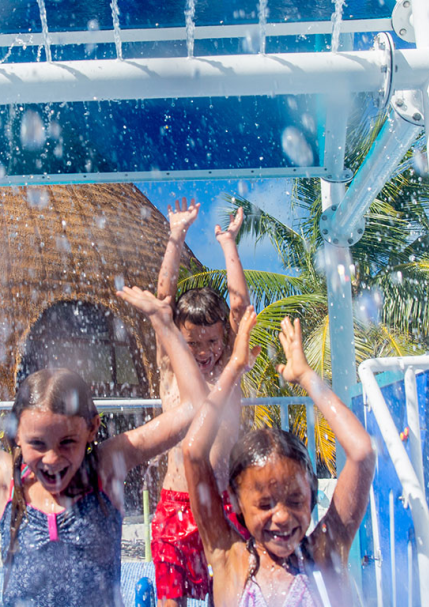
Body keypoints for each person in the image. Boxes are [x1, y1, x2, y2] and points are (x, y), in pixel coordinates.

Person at [0, 283, 212, 607]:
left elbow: (194, 407)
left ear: (92, 429)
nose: (52, 458)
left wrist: (165, 324)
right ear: (15, 435)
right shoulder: (4, 476)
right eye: (37, 443)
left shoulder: (105, 470)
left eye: (67, 442)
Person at [182, 317, 376, 607]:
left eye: (296, 501)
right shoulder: (229, 559)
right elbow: (193, 452)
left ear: (311, 496)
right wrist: (234, 367)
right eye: (264, 504)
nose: (282, 516)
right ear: (236, 502)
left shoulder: (324, 554)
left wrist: (307, 376)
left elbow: (362, 452)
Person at [152, 197, 252, 607]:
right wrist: (176, 236)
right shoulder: (172, 371)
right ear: (179, 340)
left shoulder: (229, 370)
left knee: (228, 595)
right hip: (175, 504)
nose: (205, 351)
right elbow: (163, 301)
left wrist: (228, 244)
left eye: (213, 341)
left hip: (224, 502)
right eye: (193, 343)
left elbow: (241, 309)